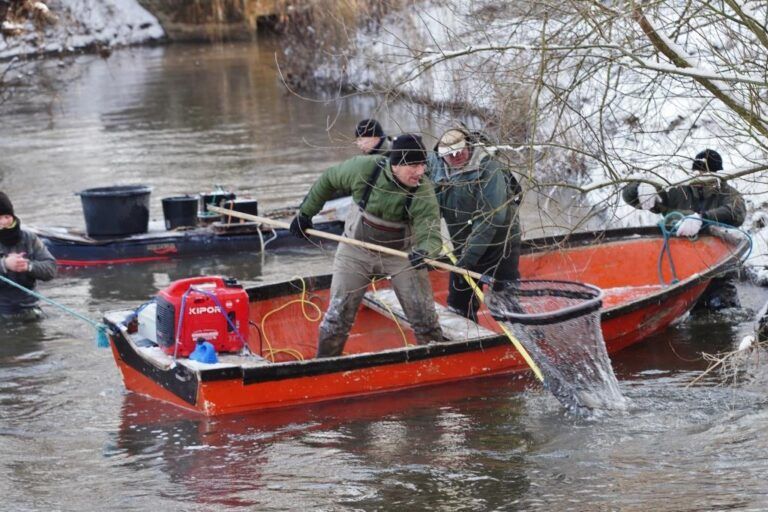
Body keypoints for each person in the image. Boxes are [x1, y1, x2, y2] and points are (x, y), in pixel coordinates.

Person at [290, 134, 444, 357]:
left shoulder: (423, 191)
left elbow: (431, 235)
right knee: (337, 316)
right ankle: (326, 362)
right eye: (413, 165)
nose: (420, 172)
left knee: (424, 318)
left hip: (401, 255)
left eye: (423, 164)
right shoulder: (363, 169)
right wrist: (305, 214)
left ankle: (436, 359)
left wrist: (425, 252)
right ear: (396, 164)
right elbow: (329, 180)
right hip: (355, 250)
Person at [622, 149, 747, 310]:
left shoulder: (729, 194)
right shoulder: (677, 191)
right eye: (697, 171)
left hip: (717, 274)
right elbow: (629, 196)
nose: (700, 175)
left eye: (705, 172)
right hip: (681, 271)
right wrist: (640, 188)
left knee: (725, 314)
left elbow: (737, 213)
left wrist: (703, 218)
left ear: (717, 174)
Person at [428, 127, 523, 321]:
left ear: (468, 146)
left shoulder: (489, 167)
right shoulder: (433, 166)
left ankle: (517, 329)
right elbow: (428, 207)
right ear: (440, 154)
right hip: (463, 246)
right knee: (458, 305)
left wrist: (468, 259)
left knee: (507, 301)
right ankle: (465, 333)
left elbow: (491, 217)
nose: (456, 157)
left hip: (501, 243)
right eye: (449, 154)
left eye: (459, 151)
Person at [0, 191, 57, 321]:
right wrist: (5, 264)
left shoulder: (29, 238)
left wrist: (28, 266)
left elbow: (51, 269)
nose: (3, 222)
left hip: (29, 309)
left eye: (7, 216)